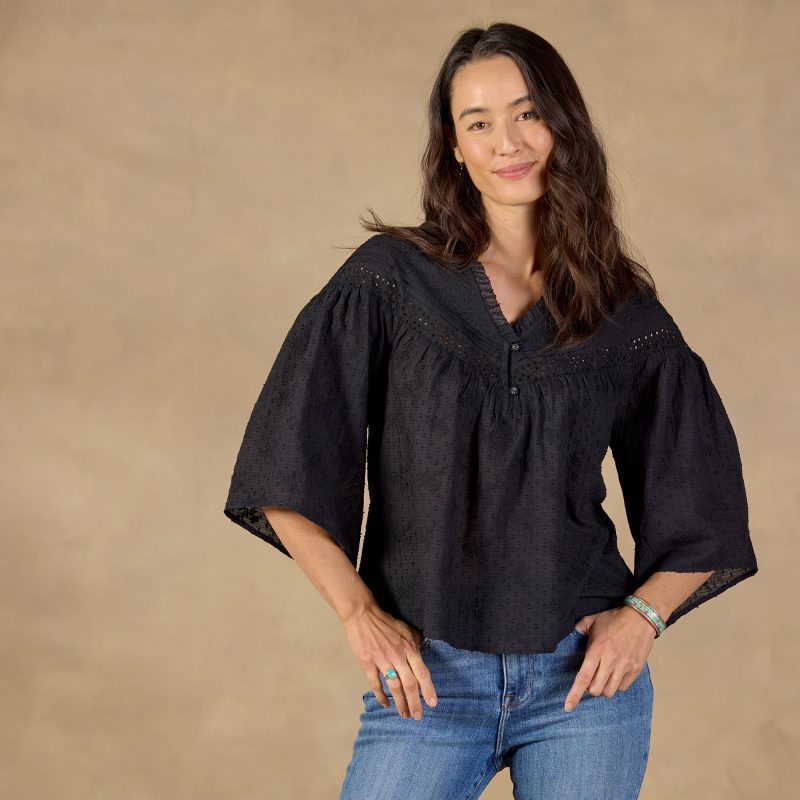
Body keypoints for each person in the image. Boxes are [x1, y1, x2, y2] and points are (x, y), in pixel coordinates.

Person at [223, 21, 758, 800]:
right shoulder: (389, 283)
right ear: (454, 146)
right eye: (478, 123)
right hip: (430, 680)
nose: (507, 141)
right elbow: (284, 467)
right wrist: (358, 613)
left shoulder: (622, 312)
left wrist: (643, 617)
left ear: (562, 124)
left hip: (582, 687)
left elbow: (702, 502)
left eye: (526, 112)